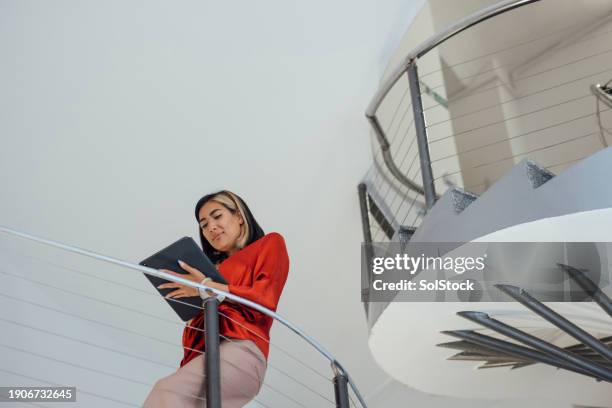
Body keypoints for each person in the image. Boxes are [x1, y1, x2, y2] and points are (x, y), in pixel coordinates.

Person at [143, 190, 289, 408]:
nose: (210, 227)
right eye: (203, 224)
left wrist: (206, 287)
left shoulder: (270, 243)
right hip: (203, 355)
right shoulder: (211, 271)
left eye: (217, 216)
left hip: (241, 348)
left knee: (164, 391)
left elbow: (264, 298)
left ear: (239, 216)